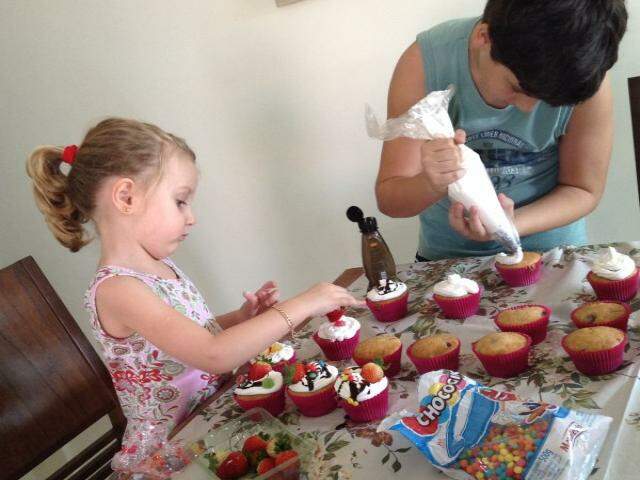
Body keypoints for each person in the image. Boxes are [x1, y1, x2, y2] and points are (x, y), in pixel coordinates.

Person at [26, 118, 361, 463]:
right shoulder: (118, 289)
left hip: (211, 421)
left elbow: (182, 339)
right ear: (126, 197)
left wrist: (237, 319)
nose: (192, 217)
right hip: (170, 453)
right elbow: (213, 354)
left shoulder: (158, 266)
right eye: (180, 201)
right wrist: (306, 302)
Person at [375, 0, 628, 261]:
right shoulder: (426, 63)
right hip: (450, 260)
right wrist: (430, 182)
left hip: (553, 255)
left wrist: (508, 225)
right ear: (484, 37)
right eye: (517, 88)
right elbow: (390, 199)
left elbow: (583, 189)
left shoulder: (582, 75)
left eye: (550, 100)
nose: (529, 109)